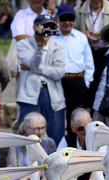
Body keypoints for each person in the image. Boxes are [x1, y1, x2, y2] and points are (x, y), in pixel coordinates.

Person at [16, 14, 65, 144]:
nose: (46, 29)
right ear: (34, 27)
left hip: (53, 95)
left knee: (55, 135)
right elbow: (33, 63)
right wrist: (39, 47)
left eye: (50, 26)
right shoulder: (23, 44)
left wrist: (36, 69)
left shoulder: (57, 46)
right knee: (28, 135)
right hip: (30, 95)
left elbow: (59, 72)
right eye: (43, 25)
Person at [55, 4, 94, 138]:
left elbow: (89, 63)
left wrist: (86, 83)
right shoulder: (52, 38)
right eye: (63, 19)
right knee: (59, 115)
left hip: (78, 81)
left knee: (77, 117)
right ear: (57, 20)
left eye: (70, 19)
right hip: (58, 82)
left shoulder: (81, 37)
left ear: (74, 20)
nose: (67, 22)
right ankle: (59, 144)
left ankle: (77, 146)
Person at [75, 0, 109, 104]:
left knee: (104, 84)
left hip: (108, 51)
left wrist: (105, 36)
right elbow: (74, 33)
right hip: (86, 52)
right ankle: (87, 110)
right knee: (88, 85)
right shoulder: (79, 9)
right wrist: (85, 35)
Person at [57, 107, 94, 180]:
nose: (85, 131)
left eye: (88, 126)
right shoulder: (67, 140)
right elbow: (58, 161)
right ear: (73, 128)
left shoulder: (98, 139)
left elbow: (101, 165)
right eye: (81, 128)